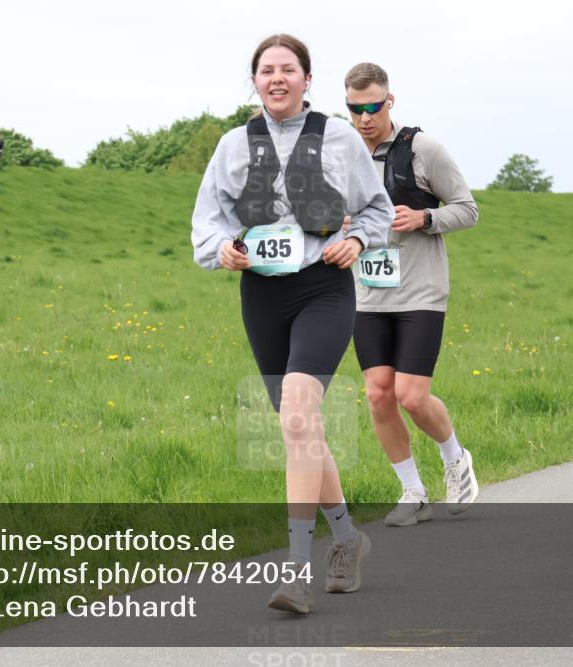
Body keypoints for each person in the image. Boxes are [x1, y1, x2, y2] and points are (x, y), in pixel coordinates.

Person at [191, 35, 393, 613]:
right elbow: (207, 222)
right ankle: (350, 541)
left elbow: (377, 209)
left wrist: (355, 238)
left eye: (288, 69)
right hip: (262, 295)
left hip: (323, 288)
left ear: (307, 79)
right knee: (302, 430)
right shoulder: (233, 145)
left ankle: (296, 572)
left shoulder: (339, 138)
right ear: (253, 81)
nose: (277, 78)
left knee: (300, 416)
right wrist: (223, 249)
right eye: (266, 71)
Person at [343, 63, 480, 526]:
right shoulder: (341, 155)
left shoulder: (423, 149)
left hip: (420, 291)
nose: (364, 117)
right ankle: (412, 491)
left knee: (412, 395)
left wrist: (424, 219)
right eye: (354, 109)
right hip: (367, 294)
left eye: (372, 107)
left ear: (390, 101)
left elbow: (468, 210)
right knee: (378, 395)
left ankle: (455, 457)